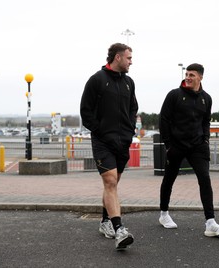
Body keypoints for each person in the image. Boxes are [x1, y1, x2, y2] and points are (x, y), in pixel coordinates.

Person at [158, 63, 219, 237]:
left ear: (200, 77)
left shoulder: (206, 98)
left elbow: (206, 121)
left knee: (205, 178)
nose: (188, 77)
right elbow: (164, 120)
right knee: (169, 179)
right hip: (176, 145)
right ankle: (164, 214)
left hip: (198, 146)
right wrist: (169, 145)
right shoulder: (174, 95)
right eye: (186, 74)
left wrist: (205, 139)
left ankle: (210, 223)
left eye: (192, 75)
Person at [80, 43, 138, 250]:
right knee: (110, 181)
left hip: (123, 142)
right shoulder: (97, 80)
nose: (131, 61)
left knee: (113, 184)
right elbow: (85, 112)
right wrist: (101, 131)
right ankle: (119, 230)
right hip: (103, 141)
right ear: (117, 57)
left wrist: (130, 131)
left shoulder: (129, 82)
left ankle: (105, 221)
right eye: (129, 58)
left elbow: (133, 109)